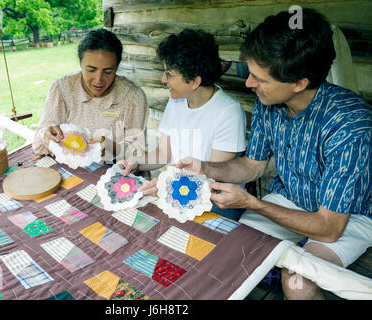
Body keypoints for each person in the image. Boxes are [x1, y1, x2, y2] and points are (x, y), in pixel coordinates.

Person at [176, 8, 371, 300]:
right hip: (291, 197)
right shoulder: (268, 102)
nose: (248, 84)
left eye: (259, 79)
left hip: (347, 216)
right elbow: (252, 165)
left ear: (299, 83)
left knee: (298, 283)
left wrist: (252, 204)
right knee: (231, 251)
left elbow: (328, 228)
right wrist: (206, 167)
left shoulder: (351, 125)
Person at [118, 29, 246, 220]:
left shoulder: (228, 111)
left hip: (214, 201)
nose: (163, 80)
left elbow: (215, 177)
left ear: (194, 81)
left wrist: (165, 184)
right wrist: (136, 163)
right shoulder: (177, 100)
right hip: (177, 190)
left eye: (169, 74)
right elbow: (163, 153)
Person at [33, 28, 148, 162]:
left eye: (108, 72)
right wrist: (45, 134)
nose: (98, 79)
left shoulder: (132, 97)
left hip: (114, 174)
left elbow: (137, 156)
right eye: (91, 70)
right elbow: (38, 146)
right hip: (71, 171)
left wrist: (110, 146)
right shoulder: (62, 89)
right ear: (80, 63)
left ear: (117, 67)